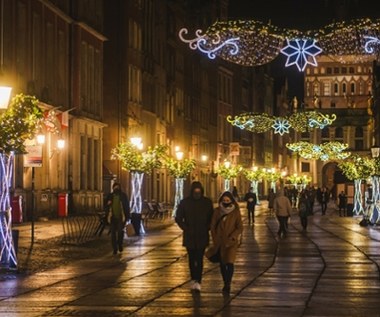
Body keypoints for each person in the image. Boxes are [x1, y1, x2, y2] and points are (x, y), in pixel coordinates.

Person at [175, 181, 214, 292]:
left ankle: (198, 280)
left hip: (202, 235)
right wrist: (185, 228)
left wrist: (207, 227)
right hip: (190, 236)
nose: (197, 193)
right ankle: (193, 278)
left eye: (199, 190)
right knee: (192, 259)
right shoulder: (185, 203)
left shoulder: (206, 203)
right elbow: (178, 218)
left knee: (200, 258)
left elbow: (212, 217)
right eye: (195, 191)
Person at [210, 191, 243, 294]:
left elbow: (240, 227)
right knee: (223, 263)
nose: (226, 202)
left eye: (228, 200)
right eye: (224, 200)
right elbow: (212, 225)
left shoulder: (235, 212)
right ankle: (225, 281)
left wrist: (233, 236)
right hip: (220, 242)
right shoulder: (217, 211)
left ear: (231, 201)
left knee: (230, 262)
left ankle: (228, 282)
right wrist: (215, 238)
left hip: (231, 242)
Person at [105, 182, 130, 255]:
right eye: (115, 187)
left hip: (121, 217)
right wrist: (108, 204)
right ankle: (114, 248)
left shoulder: (123, 196)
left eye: (117, 187)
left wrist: (127, 216)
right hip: (112, 217)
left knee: (120, 232)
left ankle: (120, 244)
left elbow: (126, 206)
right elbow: (106, 205)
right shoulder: (110, 196)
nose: (116, 189)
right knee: (113, 233)